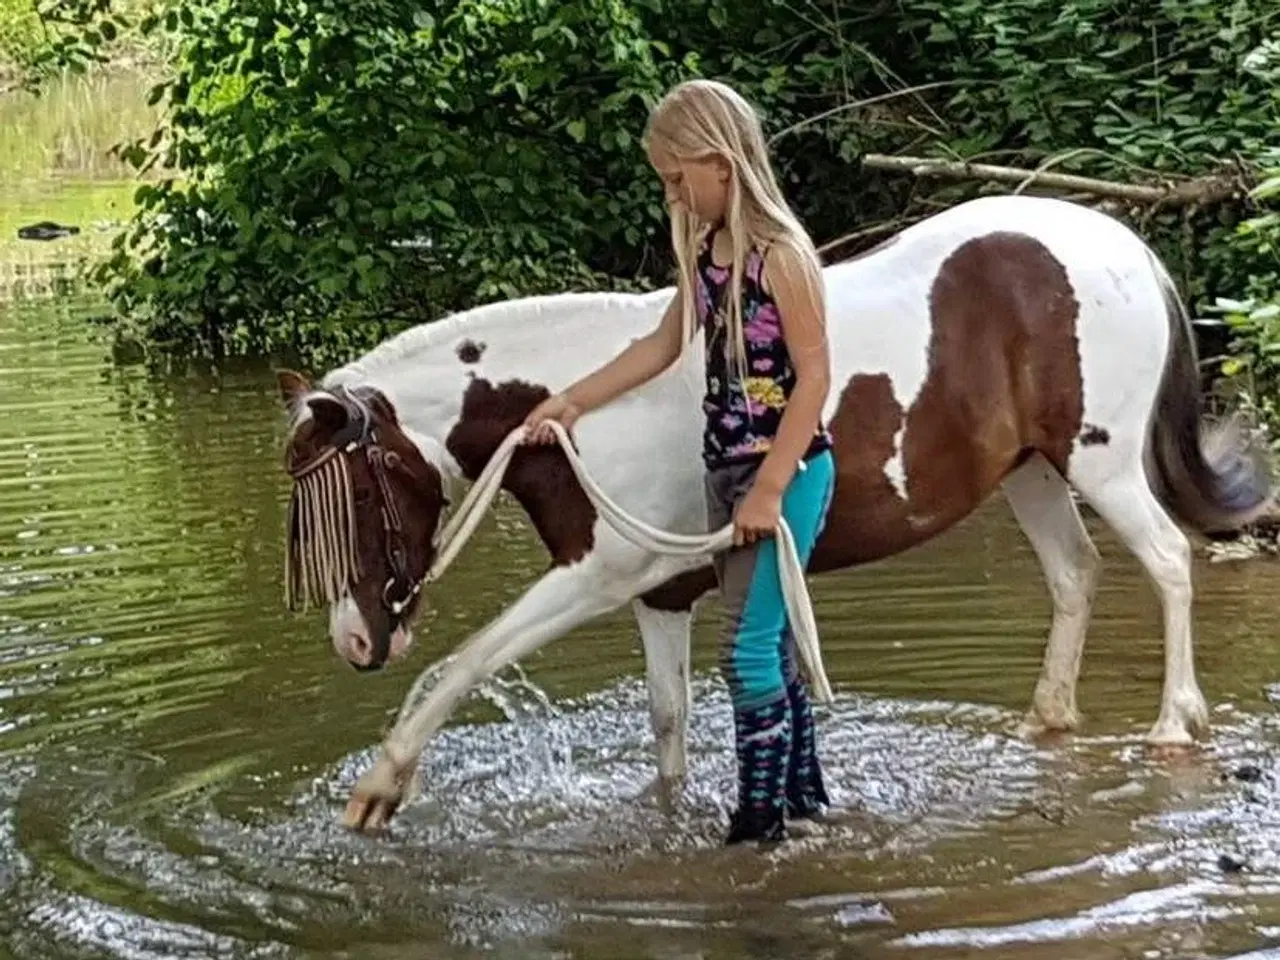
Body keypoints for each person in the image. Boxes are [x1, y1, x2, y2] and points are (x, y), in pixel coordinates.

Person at [521, 78, 835, 845]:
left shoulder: (782, 259)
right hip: (729, 472)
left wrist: (767, 488)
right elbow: (665, 345)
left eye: (676, 177)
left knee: (747, 654)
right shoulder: (708, 255)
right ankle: (806, 806)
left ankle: (756, 832)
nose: (673, 194)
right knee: (772, 648)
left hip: (786, 474)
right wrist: (573, 400)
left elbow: (816, 380)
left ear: (722, 164)